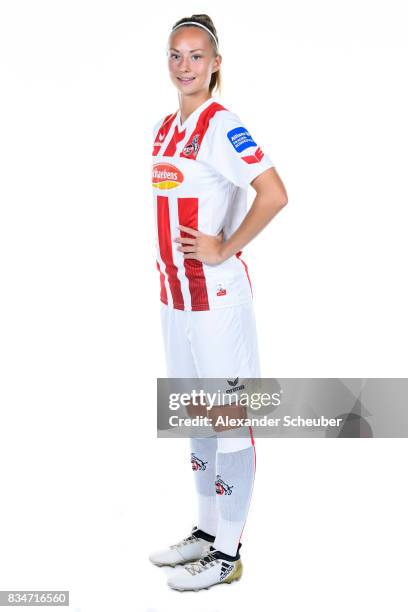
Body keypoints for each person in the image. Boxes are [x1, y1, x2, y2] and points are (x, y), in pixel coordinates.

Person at [149, 14, 288, 591]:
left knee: (231, 421)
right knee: (196, 417)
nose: (186, 66)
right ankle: (206, 535)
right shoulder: (165, 128)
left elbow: (274, 193)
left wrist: (224, 246)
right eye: (177, 55)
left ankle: (228, 554)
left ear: (216, 63)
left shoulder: (221, 124)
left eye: (197, 56)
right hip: (175, 301)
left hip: (218, 302)